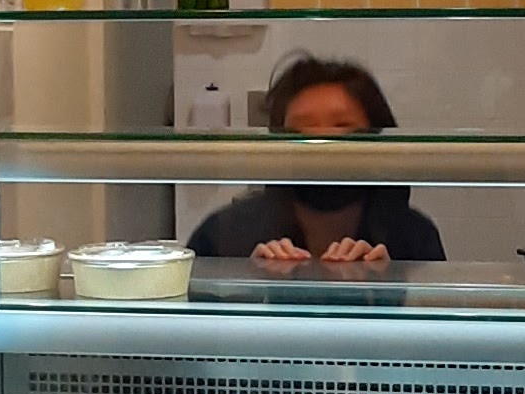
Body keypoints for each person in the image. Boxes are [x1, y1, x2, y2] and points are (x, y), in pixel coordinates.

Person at [188, 53, 445, 268]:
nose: (322, 146)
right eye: (302, 130)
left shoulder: (413, 235)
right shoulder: (226, 234)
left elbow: (437, 311)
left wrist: (389, 289)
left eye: (342, 126)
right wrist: (252, 291)